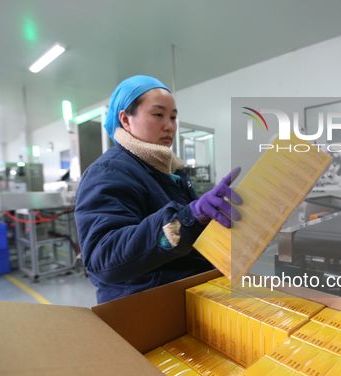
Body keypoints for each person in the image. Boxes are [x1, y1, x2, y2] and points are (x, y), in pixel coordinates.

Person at [75, 75, 242, 304]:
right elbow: (103, 258)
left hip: (182, 294)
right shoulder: (109, 171)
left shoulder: (169, 170)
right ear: (125, 119)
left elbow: (185, 237)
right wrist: (186, 218)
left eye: (173, 117)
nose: (169, 126)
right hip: (142, 305)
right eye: (158, 114)